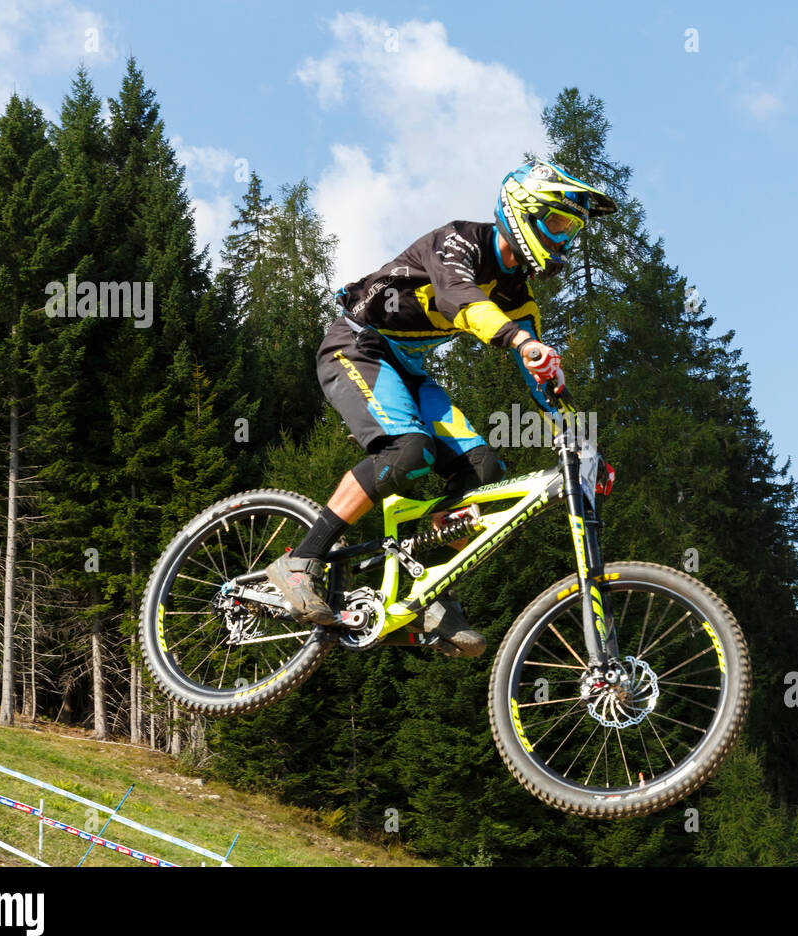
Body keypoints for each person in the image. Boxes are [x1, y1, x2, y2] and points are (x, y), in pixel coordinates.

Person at [263, 161, 617, 657]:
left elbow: (541, 377)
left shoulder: (518, 295)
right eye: (558, 223)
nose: (563, 239)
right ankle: (301, 561)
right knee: (409, 449)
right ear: (525, 213)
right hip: (358, 345)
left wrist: (581, 441)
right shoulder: (458, 242)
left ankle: (425, 590)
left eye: (570, 230)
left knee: (483, 468)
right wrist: (518, 339)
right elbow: (458, 299)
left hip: (407, 366)